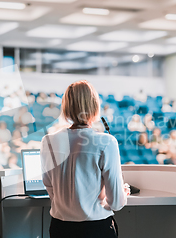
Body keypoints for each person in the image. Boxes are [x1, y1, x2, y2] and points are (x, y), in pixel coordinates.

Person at [40, 80, 129, 238]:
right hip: (96, 229)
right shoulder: (106, 142)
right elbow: (116, 203)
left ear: (66, 107)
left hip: (60, 228)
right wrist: (122, 193)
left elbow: (49, 186)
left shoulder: (48, 141)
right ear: (94, 106)